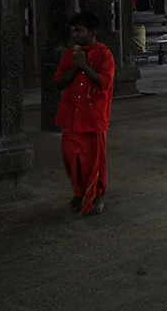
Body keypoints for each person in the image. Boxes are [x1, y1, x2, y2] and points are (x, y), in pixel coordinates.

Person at [53, 12, 115, 216]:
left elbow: (104, 83)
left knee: (93, 161)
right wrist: (74, 67)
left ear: (92, 32)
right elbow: (58, 83)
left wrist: (84, 66)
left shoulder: (104, 55)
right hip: (71, 115)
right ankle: (79, 192)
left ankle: (96, 196)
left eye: (79, 31)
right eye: (73, 30)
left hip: (93, 116)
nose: (74, 35)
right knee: (71, 157)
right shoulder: (70, 55)